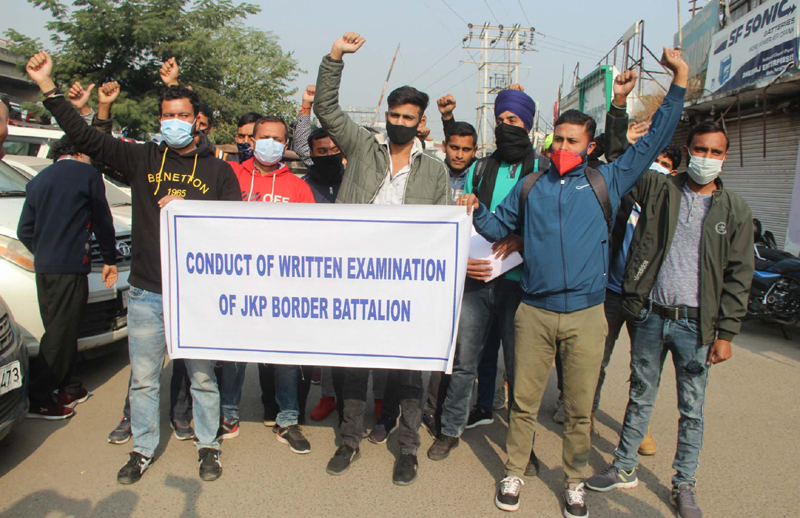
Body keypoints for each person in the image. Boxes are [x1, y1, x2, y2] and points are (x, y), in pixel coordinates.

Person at [459, 47, 688, 516]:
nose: (563, 149)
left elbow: (654, 139)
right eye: (558, 141)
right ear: (548, 144)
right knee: (523, 404)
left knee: (579, 408)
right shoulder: (529, 188)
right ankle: (515, 472)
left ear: (589, 147)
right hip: (535, 312)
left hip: (585, 315)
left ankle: (575, 480)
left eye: (573, 142)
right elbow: (494, 230)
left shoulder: (608, 180)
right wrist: (473, 209)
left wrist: (680, 80)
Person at [26, 50, 241, 484]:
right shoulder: (144, 160)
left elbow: (233, 229)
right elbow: (88, 141)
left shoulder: (220, 171)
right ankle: (142, 449)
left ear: (197, 119)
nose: (172, 121)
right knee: (144, 380)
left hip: (195, 296)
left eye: (181, 114)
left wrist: (189, 210)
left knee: (202, 378)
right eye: (166, 115)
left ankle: (208, 446)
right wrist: (48, 87)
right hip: (147, 291)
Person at [585, 120, 754, 518]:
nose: (706, 158)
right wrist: (619, 114)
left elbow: (738, 275)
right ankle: (625, 465)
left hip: (697, 326)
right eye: (700, 149)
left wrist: (726, 332)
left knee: (691, 408)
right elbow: (621, 164)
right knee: (640, 395)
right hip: (651, 316)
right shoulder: (660, 188)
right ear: (687, 152)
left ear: (725, 157)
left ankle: (684, 484)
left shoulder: (735, 210)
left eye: (715, 152)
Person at [314, 31, 451, 485]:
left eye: (407, 116)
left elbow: (441, 234)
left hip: (406, 286)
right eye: (393, 114)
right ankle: (349, 441)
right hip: (356, 279)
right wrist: (336, 57)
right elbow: (327, 109)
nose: (398, 121)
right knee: (353, 367)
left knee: (410, 371)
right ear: (385, 115)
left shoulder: (434, 170)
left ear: (419, 120)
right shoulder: (362, 147)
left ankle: (407, 448)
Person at [428, 86, 540, 463]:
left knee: (520, 368)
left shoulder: (539, 169)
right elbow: (463, 219)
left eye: (514, 121)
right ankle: (450, 428)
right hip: (476, 278)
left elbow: (547, 222)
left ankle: (524, 446)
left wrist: (524, 240)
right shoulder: (480, 167)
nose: (506, 126)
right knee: (465, 361)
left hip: (519, 284)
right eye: (501, 120)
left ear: (528, 124)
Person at [215, 114, 314, 455]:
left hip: (282, 287)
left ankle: (287, 420)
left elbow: (311, 238)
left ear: (285, 146)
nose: (271, 143)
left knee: (285, 356)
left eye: (278, 139)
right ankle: (228, 415)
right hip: (237, 282)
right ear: (252, 141)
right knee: (233, 353)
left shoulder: (299, 188)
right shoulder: (229, 176)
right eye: (264, 137)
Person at [17, 135, 117, 420]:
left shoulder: (39, 179)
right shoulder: (87, 174)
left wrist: (46, 251)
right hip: (71, 266)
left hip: (45, 266)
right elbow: (102, 219)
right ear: (80, 152)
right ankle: (37, 398)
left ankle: (68, 386)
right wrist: (109, 258)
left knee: (61, 326)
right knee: (62, 331)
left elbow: (25, 229)